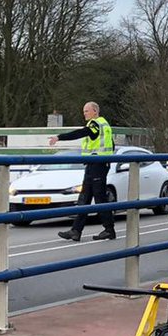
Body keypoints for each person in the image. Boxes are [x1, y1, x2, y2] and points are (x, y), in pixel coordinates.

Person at [53, 102, 116, 242]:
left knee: (99, 198)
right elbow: (111, 144)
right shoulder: (104, 124)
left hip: (97, 165)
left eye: (87, 111)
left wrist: (59, 137)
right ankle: (76, 231)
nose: (84, 113)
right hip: (95, 164)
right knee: (85, 198)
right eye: (84, 111)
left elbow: (81, 133)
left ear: (95, 111)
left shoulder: (95, 124)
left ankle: (109, 229)